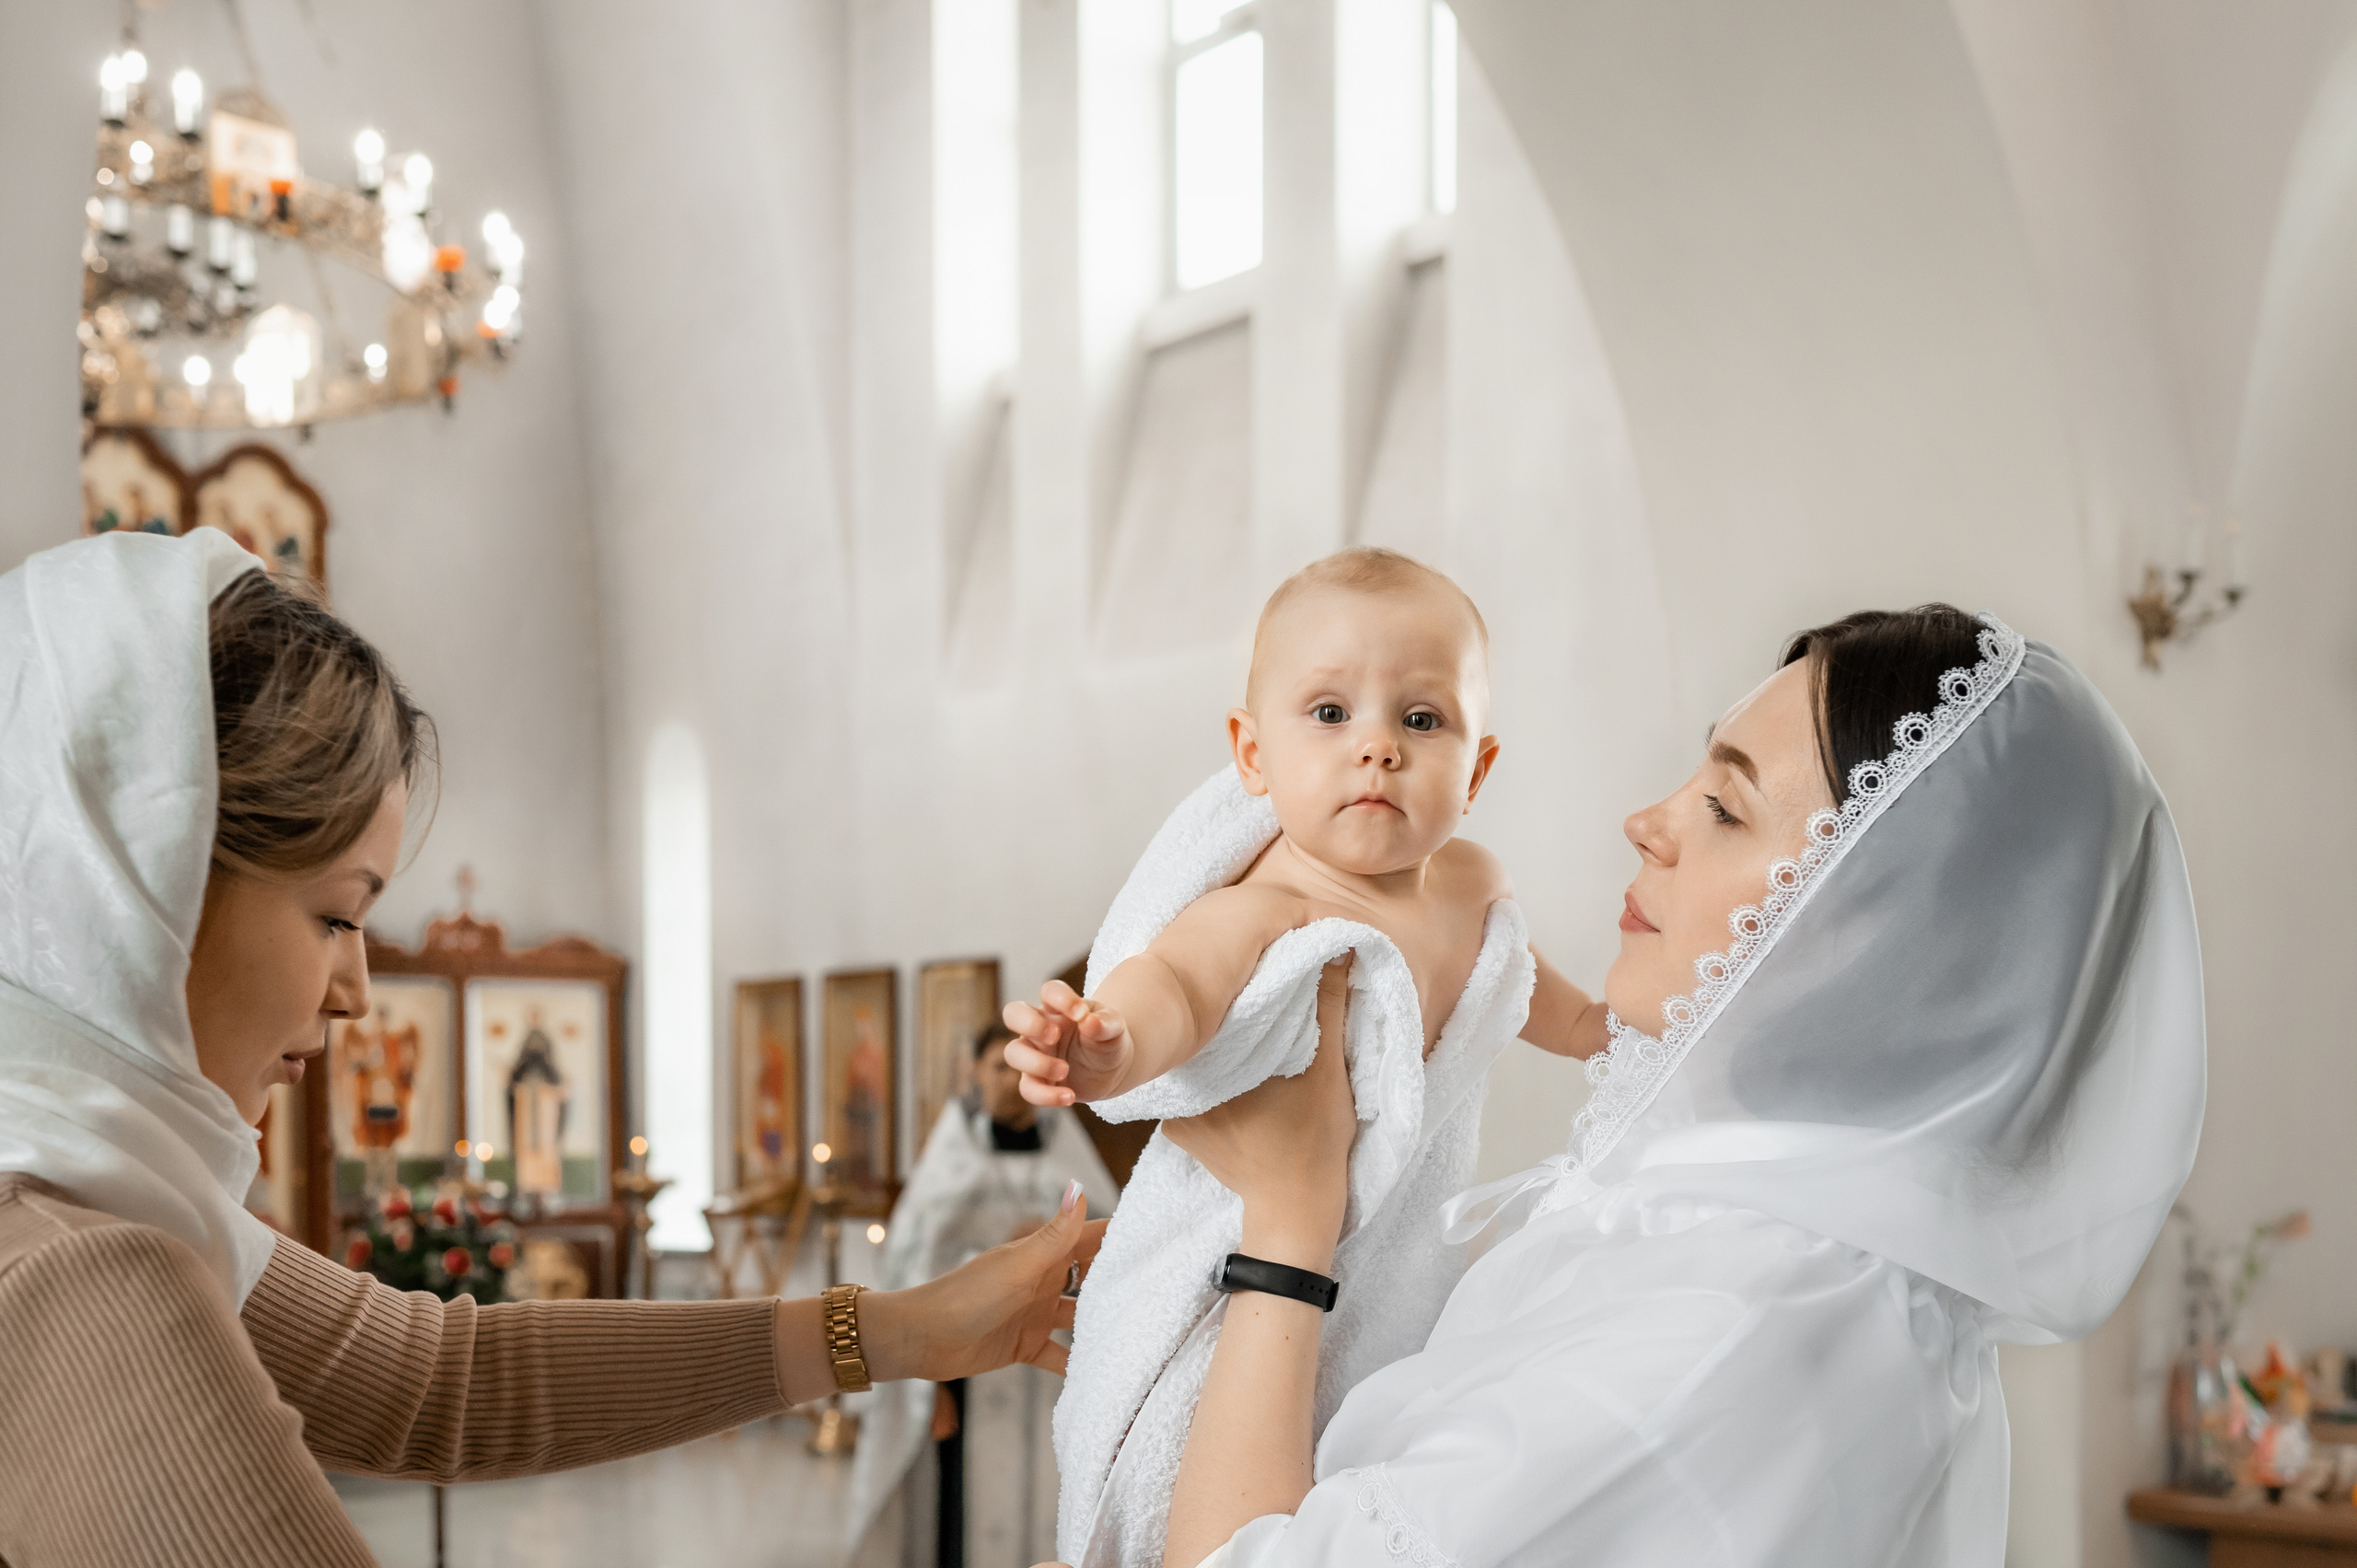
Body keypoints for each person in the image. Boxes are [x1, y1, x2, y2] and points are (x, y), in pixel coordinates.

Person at [0, 530, 1105, 1568]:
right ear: (142, 880)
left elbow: (441, 1380)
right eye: (337, 916)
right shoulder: (82, 1272)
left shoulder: (72, 1200)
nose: (358, 993)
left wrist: (901, 1327)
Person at [1144, 605, 2204, 1566]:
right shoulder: (1775, 1263)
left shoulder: (1728, 1330)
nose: (1648, 820)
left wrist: (1289, 1228)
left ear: (1875, 931)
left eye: (1727, 807)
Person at [1004, 548, 1607, 1565]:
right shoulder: (1270, 903)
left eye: (1421, 719)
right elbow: (1179, 986)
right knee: (1203, 1476)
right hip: (1224, 1285)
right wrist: (1105, 1045)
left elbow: (1518, 983)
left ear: (1480, 765)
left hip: (1391, 1280)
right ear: (1252, 755)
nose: (1376, 748)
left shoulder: (1472, 887)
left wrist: (1601, 1027)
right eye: (1329, 713)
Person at [845, 1022, 1120, 1566]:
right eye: (999, 1067)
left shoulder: (1068, 1159)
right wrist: (930, 1383)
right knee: (957, 1514)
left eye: (1022, 1069)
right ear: (974, 1072)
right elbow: (910, 1276)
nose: (1012, 1080)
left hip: (1048, 1375)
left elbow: (1114, 1251)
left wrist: (1058, 1253)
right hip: (964, 1369)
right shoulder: (949, 1162)